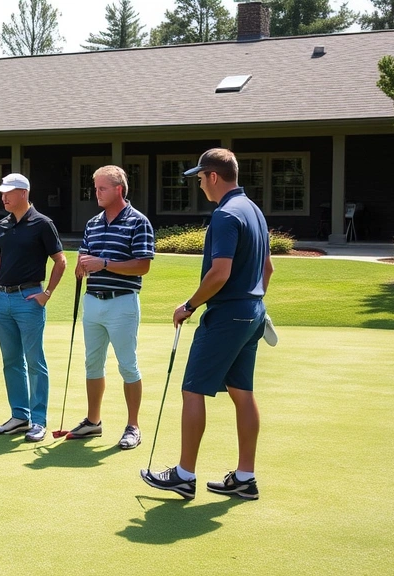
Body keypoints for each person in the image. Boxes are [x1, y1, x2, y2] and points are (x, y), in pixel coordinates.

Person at [141, 148, 273, 500]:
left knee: (193, 388)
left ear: (213, 176)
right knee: (242, 392)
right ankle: (245, 477)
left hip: (228, 314)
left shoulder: (226, 214)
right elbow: (268, 270)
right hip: (252, 312)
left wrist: (189, 305)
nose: (200, 185)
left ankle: (184, 475)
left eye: (200, 179)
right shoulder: (255, 212)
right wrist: (253, 301)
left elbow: (220, 272)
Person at [68, 165, 154, 450]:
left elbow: (143, 265)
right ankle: (94, 421)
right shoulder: (93, 223)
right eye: (95, 188)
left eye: (102, 188)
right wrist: (81, 265)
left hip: (122, 303)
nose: (96, 193)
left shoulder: (138, 222)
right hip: (93, 301)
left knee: (127, 365)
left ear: (119, 189)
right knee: (92, 363)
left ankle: (133, 426)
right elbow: (85, 252)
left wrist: (104, 264)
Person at [0, 173, 67, 442]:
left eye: (9, 193)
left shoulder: (43, 224)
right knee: (11, 361)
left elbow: (61, 261)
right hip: (3, 300)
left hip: (29, 298)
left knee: (35, 362)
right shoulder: (3, 224)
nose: (4, 197)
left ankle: (39, 421)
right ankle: (19, 416)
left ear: (23, 193)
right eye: (2, 193)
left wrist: (47, 294)